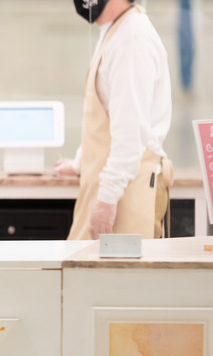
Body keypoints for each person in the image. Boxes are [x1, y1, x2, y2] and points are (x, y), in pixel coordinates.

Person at [53, 0, 173, 240]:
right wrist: (80, 163)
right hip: (115, 186)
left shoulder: (132, 38)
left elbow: (131, 132)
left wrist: (107, 199)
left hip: (128, 192)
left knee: (120, 276)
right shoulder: (116, 31)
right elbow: (107, 118)